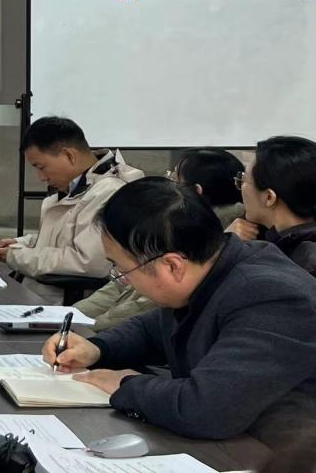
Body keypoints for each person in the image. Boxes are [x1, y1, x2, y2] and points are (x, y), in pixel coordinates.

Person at [42, 178, 316, 447]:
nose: (124, 280)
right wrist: (97, 349)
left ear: (173, 265)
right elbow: (151, 330)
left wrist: (124, 384)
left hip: (278, 454)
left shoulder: (271, 296)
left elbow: (206, 409)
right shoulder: (213, 270)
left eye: (123, 270)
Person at [76, 147, 244, 331]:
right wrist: (74, 316)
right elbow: (120, 284)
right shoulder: (169, 224)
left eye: (174, 179)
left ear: (195, 192)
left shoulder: (180, 234)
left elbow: (144, 310)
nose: (167, 183)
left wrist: (85, 330)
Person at [0, 117, 143, 303]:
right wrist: (22, 243)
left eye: (41, 167)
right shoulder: (78, 186)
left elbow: (86, 262)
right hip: (40, 294)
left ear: (69, 155)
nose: (41, 177)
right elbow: (64, 236)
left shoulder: (109, 192)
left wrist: (16, 255)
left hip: (63, 303)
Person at [234, 136, 316, 276]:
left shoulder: (303, 264)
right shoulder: (286, 244)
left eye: (243, 179)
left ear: (269, 197)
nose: (240, 187)